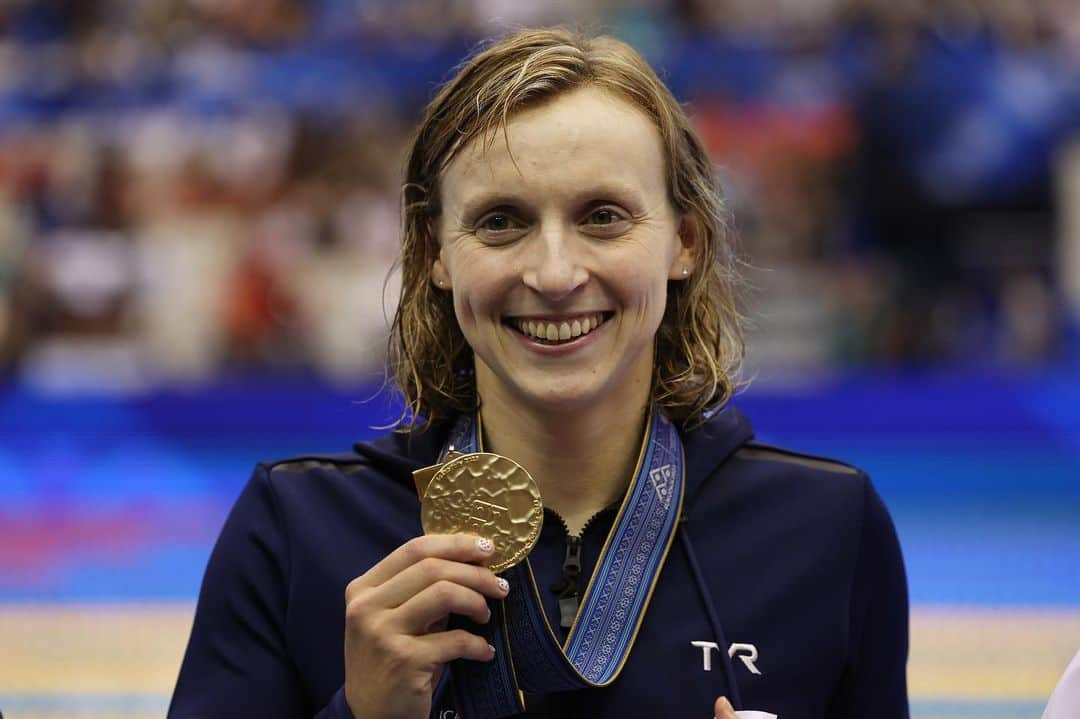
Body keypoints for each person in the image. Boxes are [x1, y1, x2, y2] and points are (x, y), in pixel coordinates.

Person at [168, 28, 909, 719]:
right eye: (501, 221)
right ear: (437, 253)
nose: (554, 273)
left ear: (684, 241)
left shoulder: (828, 532)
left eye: (603, 216)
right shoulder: (295, 532)